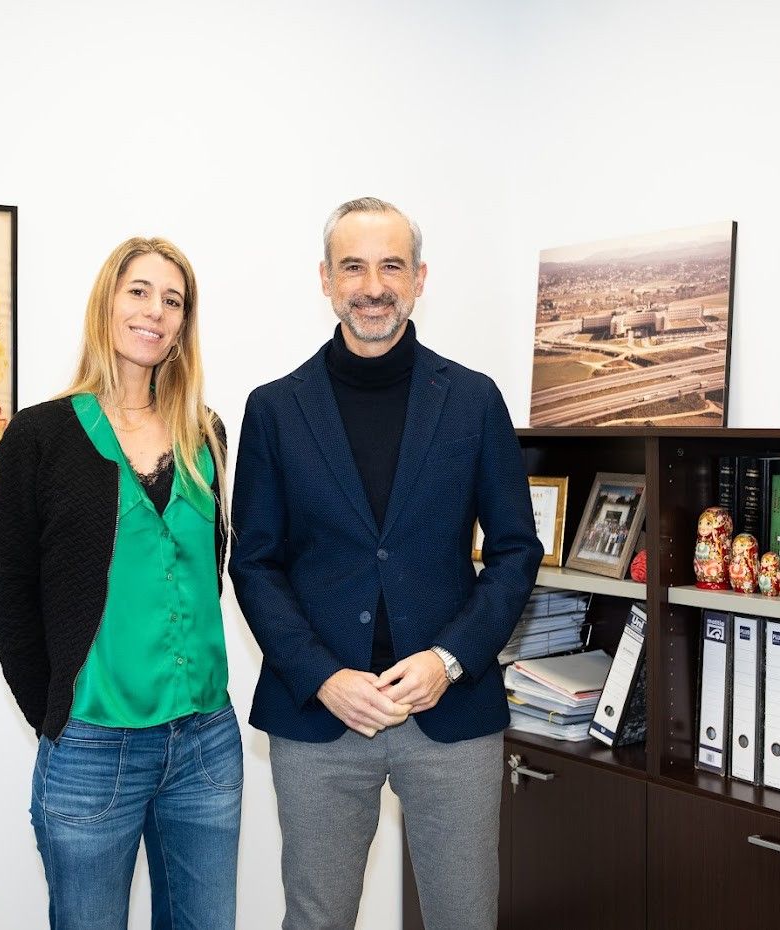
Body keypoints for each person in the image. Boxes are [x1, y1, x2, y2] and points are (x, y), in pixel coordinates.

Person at [230, 197, 543, 930]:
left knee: (465, 916)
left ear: (420, 277)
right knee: (316, 918)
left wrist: (450, 659)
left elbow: (514, 551)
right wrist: (322, 677)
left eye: (391, 265)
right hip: (320, 719)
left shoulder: (471, 400)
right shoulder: (274, 408)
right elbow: (255, 564)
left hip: (451, 714)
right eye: (353, 266)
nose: (373, 285)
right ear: (325, 279)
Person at [0, 238, 240, 930]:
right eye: (139, 291)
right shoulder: (39, 437)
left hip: (206, 740)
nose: (154, 311)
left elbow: (200, 574)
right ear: (107, 301)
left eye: (173, 299)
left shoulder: (205, 433)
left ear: (184, 324)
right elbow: (8, 592)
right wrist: (55, 712)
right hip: (94, 744)